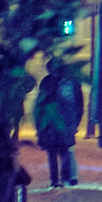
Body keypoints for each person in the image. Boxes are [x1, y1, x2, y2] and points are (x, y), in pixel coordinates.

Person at [31, 55, 84, 190]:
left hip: (54, 125)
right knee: (64, 151)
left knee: (55, 153)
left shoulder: (53, 83)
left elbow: (38, 107)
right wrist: (75, 122)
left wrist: (40, 126)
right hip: (62, 125)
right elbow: (79, 105)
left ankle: (56, 179)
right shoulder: (70, 82)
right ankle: (65, 178)